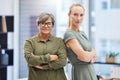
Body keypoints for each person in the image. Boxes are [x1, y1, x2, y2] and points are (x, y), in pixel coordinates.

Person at [24, 12, 67, 80]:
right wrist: (49, 57)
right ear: (38, 25)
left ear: (52, 25)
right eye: (42, 23)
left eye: (48, 23)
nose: (45, 26)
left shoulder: (59, 41)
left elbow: (62, 61)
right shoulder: (29, 42)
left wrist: (43, 66)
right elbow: (30, 59)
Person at [64, 3, 98, 80]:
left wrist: (91, 54)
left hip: (91, 71)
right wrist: (91, 54)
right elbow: (84, 56)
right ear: (69, 15)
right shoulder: (69, 34)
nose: (78, 18)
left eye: (81, 15)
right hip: (81, 73)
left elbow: (94, 55)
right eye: (75, 14)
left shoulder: (82, 33)